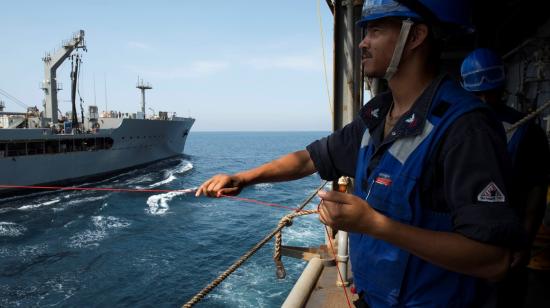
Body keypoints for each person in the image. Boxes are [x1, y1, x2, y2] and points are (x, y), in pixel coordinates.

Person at [196, 0, 523, 306]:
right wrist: (243, 178)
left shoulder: (465, 128)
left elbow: (493, 260)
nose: (363, 42)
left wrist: (373, 224)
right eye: (364, 31)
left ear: (416, 36)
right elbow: (311, 158)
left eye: (376, 30)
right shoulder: (377, 115)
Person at [461, 48, 550, 307]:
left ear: (502, 88)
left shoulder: (526, 131)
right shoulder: (454, 128)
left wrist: (524, 242)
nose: (485, 100)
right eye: (478, 94)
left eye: (491, 92)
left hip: (504, 243)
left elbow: (536, 192)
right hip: (463, 240)